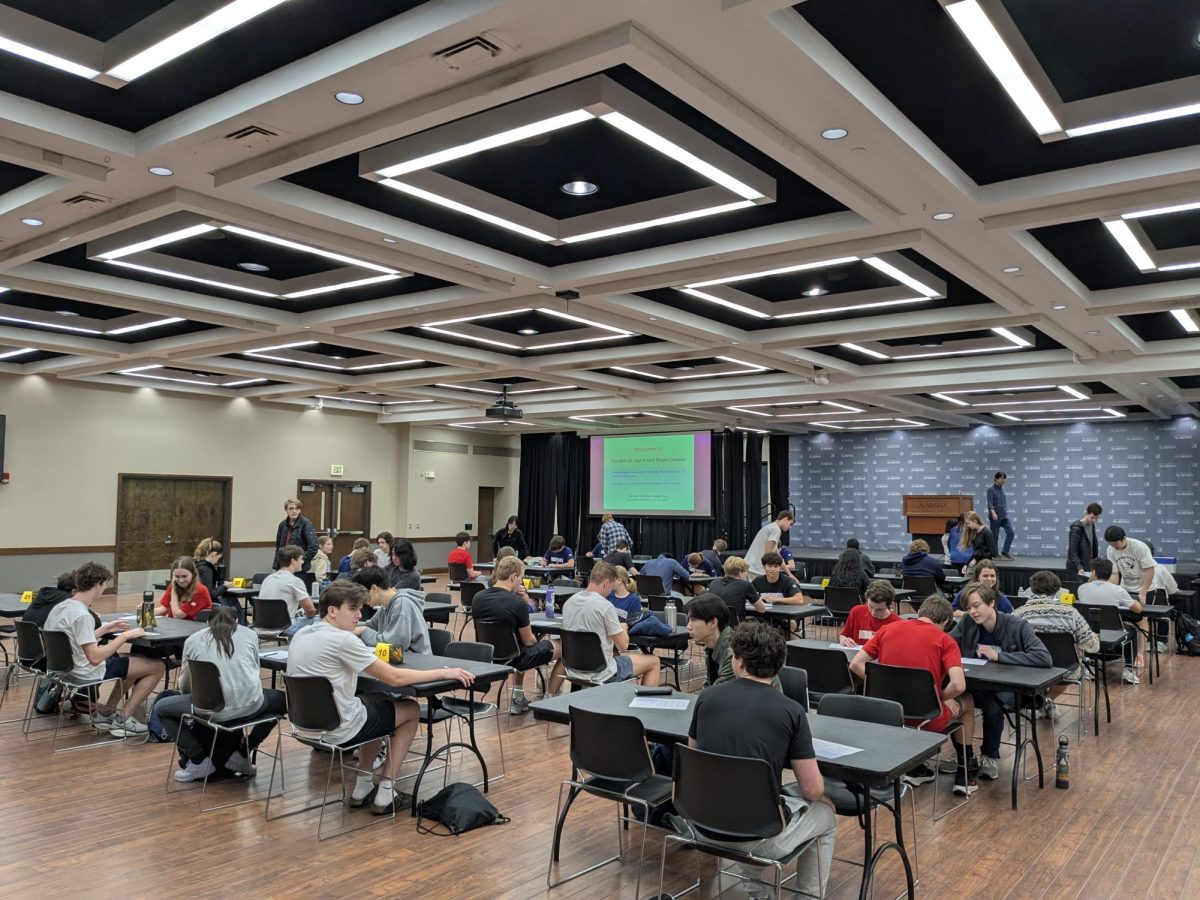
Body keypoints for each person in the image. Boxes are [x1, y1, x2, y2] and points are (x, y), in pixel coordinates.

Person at [286, 581, 474, 815]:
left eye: (360, 609)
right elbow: (394, 678)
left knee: (375, 698)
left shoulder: (302, 634)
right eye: (353, 609)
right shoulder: (343, 640)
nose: (359, 615)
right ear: (332, 611)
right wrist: (445, 672)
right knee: (410, 709)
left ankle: (363, 786)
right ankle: (386, 790)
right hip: (339, 729)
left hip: (303, 725)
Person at [683, 621, 835, 897]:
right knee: (824, 814)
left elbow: (694, 759)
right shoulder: (792, 711)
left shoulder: (706, 698)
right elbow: (813, 790)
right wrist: (823, 798)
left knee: (750, 799)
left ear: (738, 662)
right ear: (778, 666)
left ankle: (757, 892)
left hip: (701, 824)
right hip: (756, 835)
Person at [849, 595, 977, 795]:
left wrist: (884, 685)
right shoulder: (946, 640)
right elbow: (959, 685)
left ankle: (917, 769)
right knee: (967, 702)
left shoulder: (887, 629)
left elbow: (856, 664)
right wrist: (941, 697)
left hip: (889, 714)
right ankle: (965, 773)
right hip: (926, 719)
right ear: (945, 621)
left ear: (920, 613)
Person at [154, 606, 287, 781]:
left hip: (211, 708)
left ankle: (198, 758)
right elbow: (254, 668)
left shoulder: (193, 640)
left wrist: (191, 697)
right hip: (252, 705)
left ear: (207, 623)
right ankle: (244, 751)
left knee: (161, 708)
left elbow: (185, 682)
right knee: (286, 700)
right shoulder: (250, 634)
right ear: (237, 622)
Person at [44, 561, 164, 737]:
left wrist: (104, 630)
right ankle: (123, 720)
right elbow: (94, 658)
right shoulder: (83, 615)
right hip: (85, 672)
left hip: (64, 669)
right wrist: (124, 636)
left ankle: (107, 712)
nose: (105, 588)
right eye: (105, 584)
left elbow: (75, 640)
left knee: (135, 658)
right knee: (157, 667)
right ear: (97, 584)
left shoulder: (61, 607)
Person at [950, 583, 1050, 782]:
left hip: (1012, 687)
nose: (972, 612)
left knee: (992, 703)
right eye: (969, 607)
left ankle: (989, 755)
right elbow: (948, 643)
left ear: (992, 603)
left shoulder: (1017, 625)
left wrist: (998, 657)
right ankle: (964, 755)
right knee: (956, 697)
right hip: (979, 684)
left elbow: (1043, 657)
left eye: (976, 606)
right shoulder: (968, 623)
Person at [471, 555, 563, 713]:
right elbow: (529, 642)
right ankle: (550, 698)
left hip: (489, 656)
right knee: (565, 646)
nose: (521, 582)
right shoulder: (516, 603)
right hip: (515, 658)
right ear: (513, 576)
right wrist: (541, 646)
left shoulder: (478, 597)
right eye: (520, 577)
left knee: (518, 647)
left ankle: (518, 698)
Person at [561, 561, 660, 686]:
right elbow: (623, 646)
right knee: (654, 661)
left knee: (611, 653)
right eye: (611, 588)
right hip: (600, 672)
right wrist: (623, 626)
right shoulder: (605, 606)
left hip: (572, 669)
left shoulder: (569, 602)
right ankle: (643, 704)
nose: (610, 592)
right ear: (606, 583)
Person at [1012, 570, 1099, 705]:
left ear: (1032, 589)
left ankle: (1041, 701)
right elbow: (1092, 646)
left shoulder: (1017, 614)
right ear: (1057, 590)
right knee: (1068, 671)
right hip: (1066, 670)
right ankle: (1046, 701)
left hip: (1029, 668)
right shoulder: (1070, 613)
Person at [686, 593, 780, 690]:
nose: (688, 626)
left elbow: (718, 693)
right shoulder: (714, 646)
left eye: (693, 620)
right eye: (689, 620)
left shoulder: (733, 653)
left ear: (713, 622)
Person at [1079, 558, 1144, 681]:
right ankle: (1128, 668)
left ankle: (1090, 664)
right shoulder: (1118, 590)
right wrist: (1139, 600)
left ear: (1093, 572)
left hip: (1089, 631)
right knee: (1133, 631)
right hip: (1114, 631)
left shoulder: (1082, 589)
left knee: (1092, 630)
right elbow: (1137, 609)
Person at [350, 566, 431, 655]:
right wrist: (347, 625)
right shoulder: (386, 605)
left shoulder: (402, 604)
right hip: (402, 659)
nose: (362, 600)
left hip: (417, 662)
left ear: (374, 588)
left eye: (363, 593)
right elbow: (371, 625)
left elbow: (395, 644)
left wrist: (363, 631)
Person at [259, 545, 316, 638]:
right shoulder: (295, 581)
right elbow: (310, 611)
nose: (303, 561)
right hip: (286, 628)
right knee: (320, 620)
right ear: (293, 561)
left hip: (263, 626)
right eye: (301, 559)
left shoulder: (267, 579)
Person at [839, 579, 902, 647]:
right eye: (871, 606)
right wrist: (844, 639)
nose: (873, 612)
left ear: (890, 605)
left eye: (879, 609)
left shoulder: (897, 623)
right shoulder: (856, 612)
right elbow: (844, 635)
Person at [1104, 525, 1157, 605]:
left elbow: (1149, 570)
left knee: (1143, 616)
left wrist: (1143, 593)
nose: (1114, 547)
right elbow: (1114, 573)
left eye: (1116, 544)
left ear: (1124, 539)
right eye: (1111, 544)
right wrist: (1112, 591)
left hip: (1145, 589)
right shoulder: (1110, 550)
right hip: (1125, 589)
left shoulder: (1139, 547)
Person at [707, 556, 767, 624]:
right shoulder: (745, 585)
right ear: (740, 572)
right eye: (746, 571)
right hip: (736, 630)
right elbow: (762, 609)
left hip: (715, 627)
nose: (746, 574)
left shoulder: (714, 583)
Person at [154, 557, 213, 621]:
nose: (181, 580)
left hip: (193, 628)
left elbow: (177, 616)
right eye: (177, 576)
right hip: (174, 627)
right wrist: (145, 611)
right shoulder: (174, 585)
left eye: (184, 576)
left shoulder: (200, 591)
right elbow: (163, 609)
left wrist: (174, 589)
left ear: (193, 574)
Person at [745, 510, 795, 577]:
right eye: (790, 524)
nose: (790, 527)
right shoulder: (776, 530)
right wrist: (770, 571)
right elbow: (768, 553)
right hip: (756, 570)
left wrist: (790, 574)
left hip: (749, 566)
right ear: (785, 519)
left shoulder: (770, 527)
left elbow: (778, 556)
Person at [274, 499, 317, 568]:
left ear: (300, 510)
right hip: (284, 565)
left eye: (297, 508)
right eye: (291, 508)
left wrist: (300, 561)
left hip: (299, 567)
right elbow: (279, 546)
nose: (294, 511)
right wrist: (276, 564)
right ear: (286, 510)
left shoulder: (306, 524)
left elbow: (313, 546)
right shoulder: (282, 525)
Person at [193, 538, 231, 609]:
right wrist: (224, 586)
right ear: (214, 554)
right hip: (204, 604)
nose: (217, 561)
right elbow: (210, 594)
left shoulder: (196, 565)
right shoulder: (206, 569)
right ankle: (241, 620)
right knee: (232, 600)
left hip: (195, 601)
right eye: (218, 558)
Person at [1066, 503, 1102, 578]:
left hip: (1088, 565)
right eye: (1092, 517)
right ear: (1086, 513)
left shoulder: (1092, 525)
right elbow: (1073, 551)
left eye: (1096, 518)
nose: (1094, 520)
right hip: (1077, 568)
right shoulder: (1076, 528)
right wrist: (1079, 566)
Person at [987, 471, 1015, 559]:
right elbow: (990, 502)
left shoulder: (1003, 489)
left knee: (1011, 533)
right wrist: (993, 513)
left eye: (1004, 478)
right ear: (996, 478)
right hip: (995, 516)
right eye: (1002, 478)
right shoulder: (990, 490)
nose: (1004, 480)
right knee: (995, 536)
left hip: (1004, 516)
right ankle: (995, 554)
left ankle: (1005, 551)